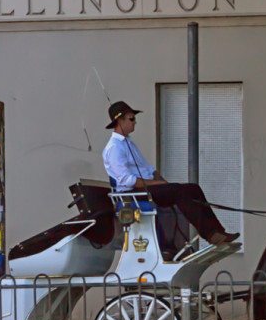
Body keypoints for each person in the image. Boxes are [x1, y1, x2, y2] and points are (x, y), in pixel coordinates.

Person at [102, 101, 239, 245]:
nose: (135, 122)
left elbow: (149, 170)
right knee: (179, 191)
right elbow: (127, 180)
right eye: (131, 118)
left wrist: (163, 182)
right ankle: (210, 234)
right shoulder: (114, 148)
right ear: (119, 120)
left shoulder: (128, 143)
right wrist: (159, 184)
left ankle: (218, 231)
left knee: (193, 188)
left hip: (145, 189)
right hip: (134, 194)